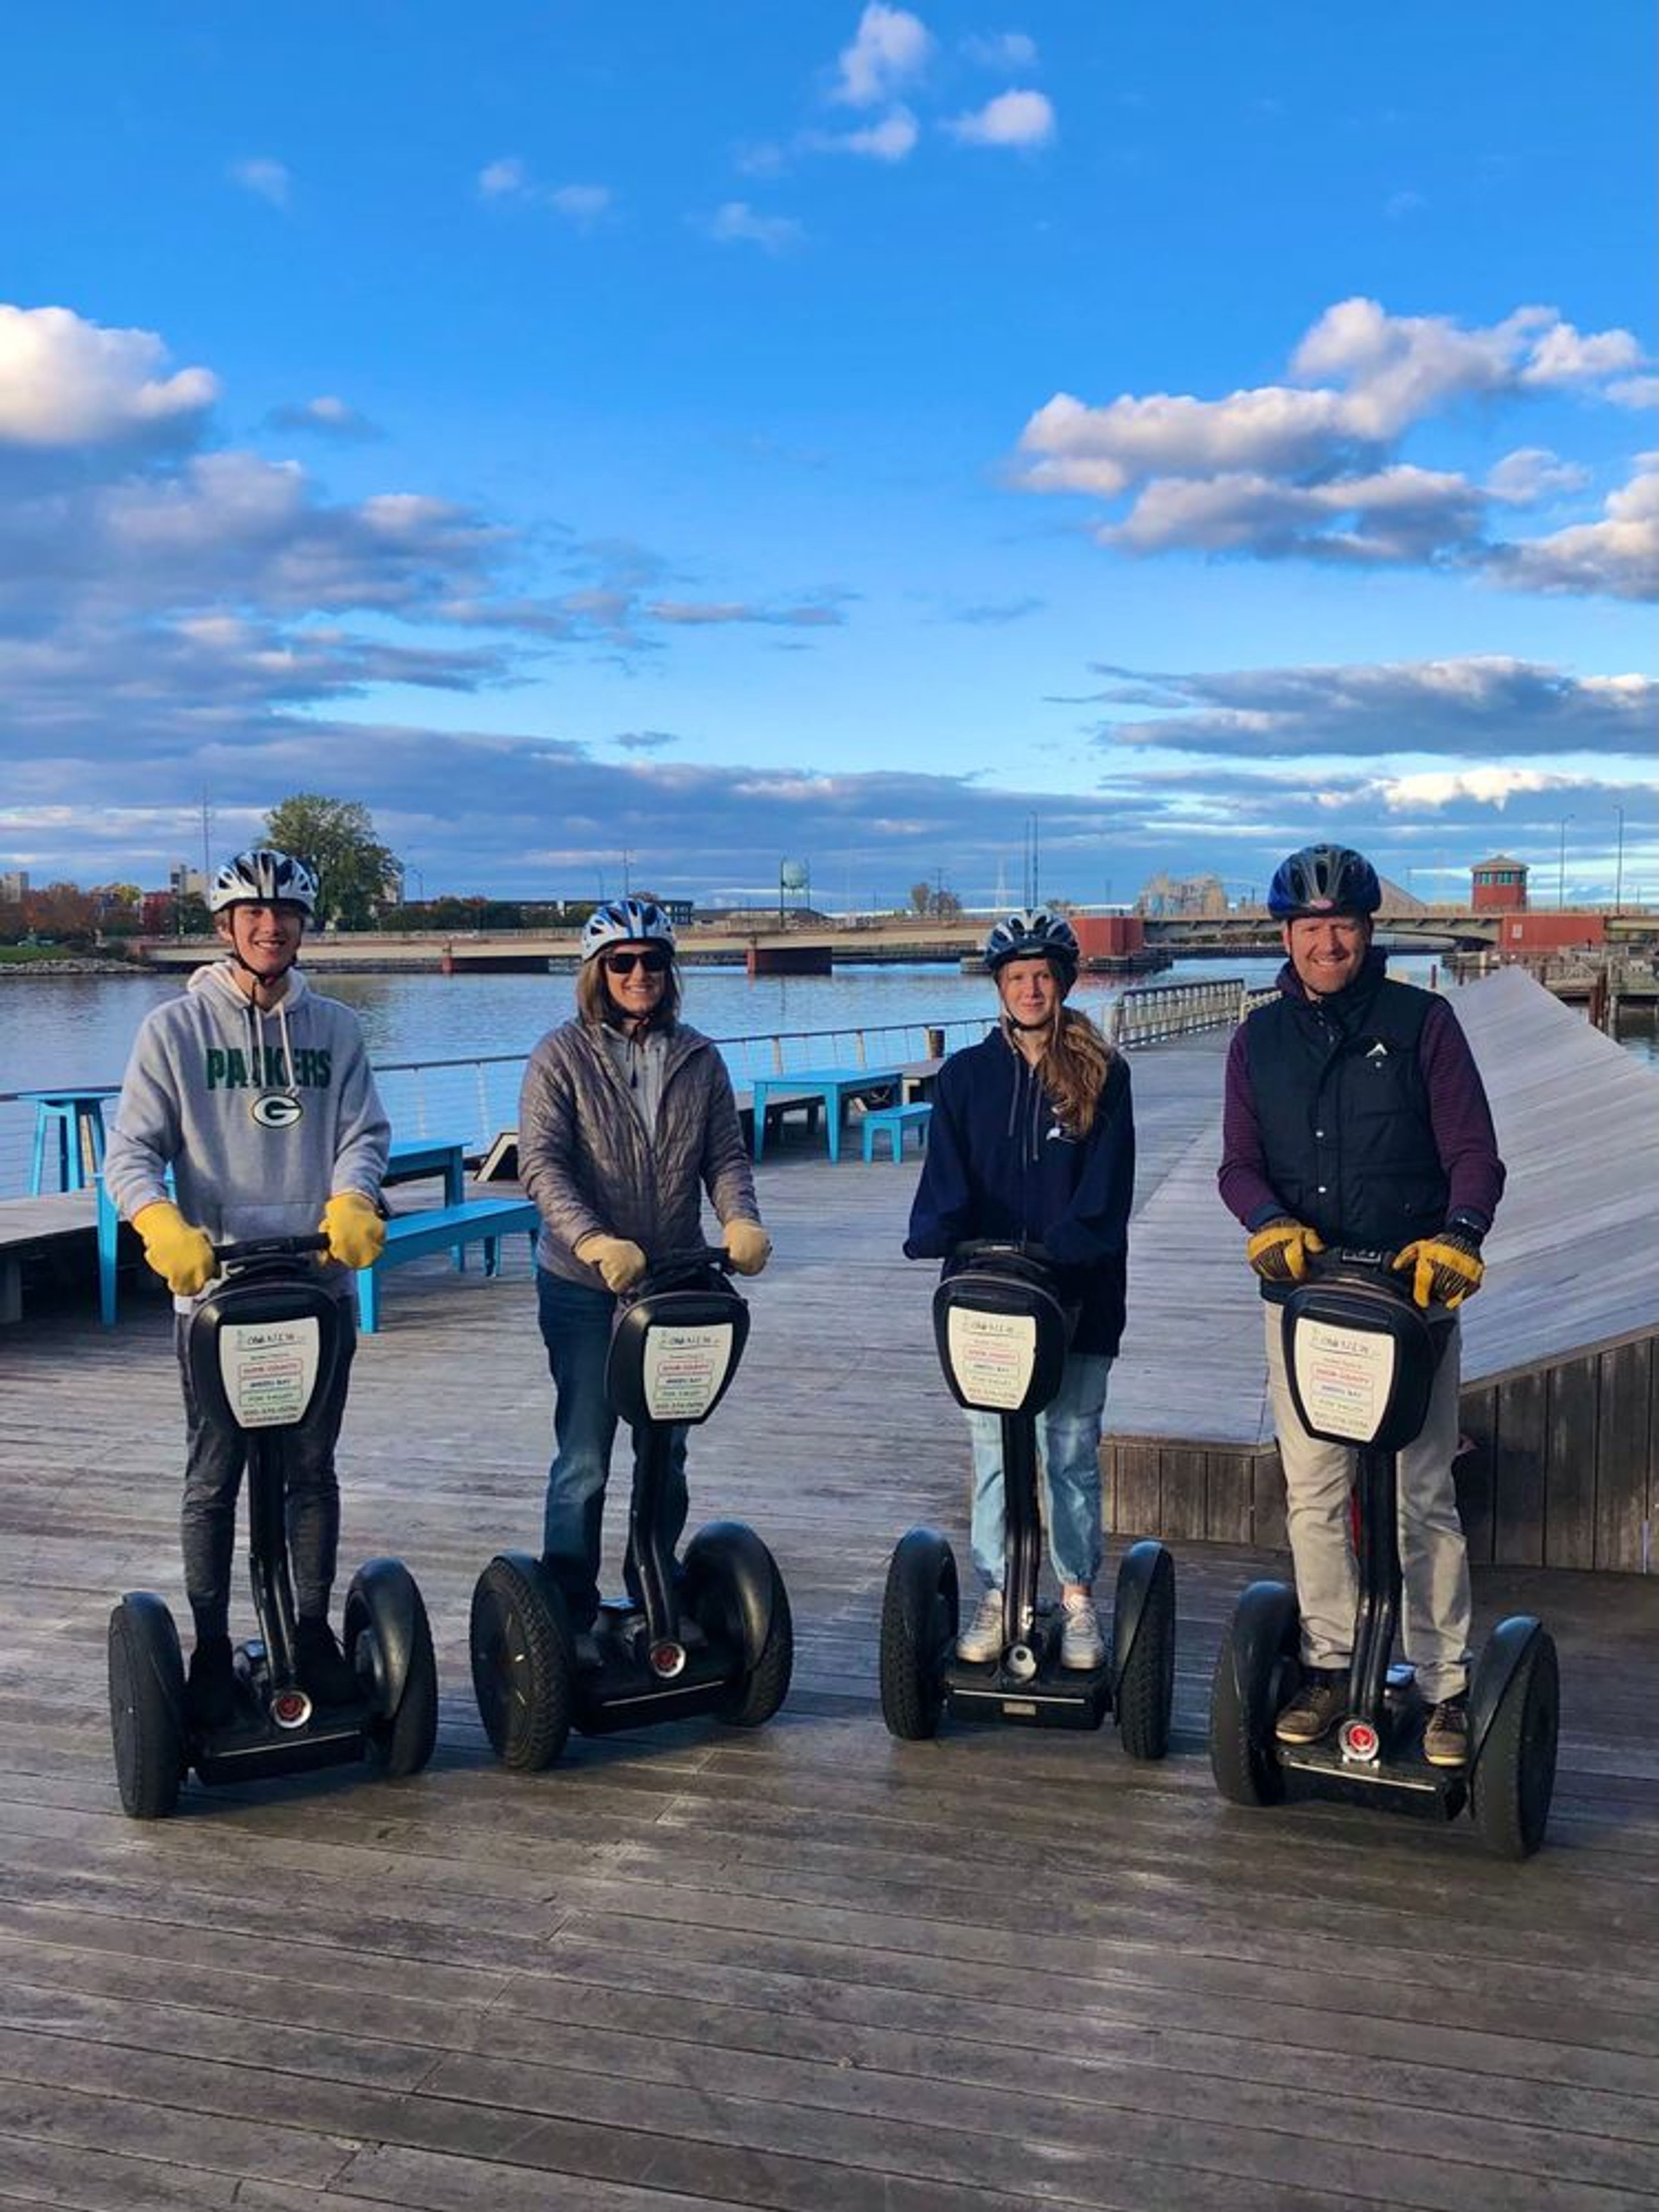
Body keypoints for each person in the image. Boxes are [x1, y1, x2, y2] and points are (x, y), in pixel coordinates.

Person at [1218, 841, 1505, 1768]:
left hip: (1413, 1296)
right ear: (1286, 937)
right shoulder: (1257, 1039)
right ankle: (1331, 1664)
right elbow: (1238, 1164)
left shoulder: (1425, 1024)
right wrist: (1265, 1221)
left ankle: (1445, 1683)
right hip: (1305, 1301)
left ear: (1368, 930)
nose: (1327, 944)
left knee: (1424, 1491)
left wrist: (1462, 1232)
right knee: (1314, 1490)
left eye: (1342, 925)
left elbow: (1475, 1152)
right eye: (1310, 928)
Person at [104, 846, 390, 1727]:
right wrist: (160, 1223)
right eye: (254, 915)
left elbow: (364, 1133)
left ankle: (309, 1629)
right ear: (227, 927)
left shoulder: (336, 1028)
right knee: (214, 1476)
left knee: (311, 1468)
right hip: (216, 1295)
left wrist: (354, 1197)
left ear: (304, 926)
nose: (271, 928)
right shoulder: (174, 1032)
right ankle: (210, 1647)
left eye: (286, 914)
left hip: (316, 1287)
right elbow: (130, 1153)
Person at [517, 896, 771, 1629]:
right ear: (597, 972)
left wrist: (741, 1218)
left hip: (675, 1281)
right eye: (622, 962)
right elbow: (541, 1164)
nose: (638, 974)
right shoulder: (560, 1056)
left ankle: (653, 1584)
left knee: (667, 1449)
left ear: (669, 971)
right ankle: (569, 1607)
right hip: (584, 1287)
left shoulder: (699, 1056)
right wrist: (593, 1240)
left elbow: (725, 1155)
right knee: (586, 1455)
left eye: (652, 961)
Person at [905, 908, 1135, 1669]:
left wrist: (1068, 1250)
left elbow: (1107, 1192)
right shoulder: (966, 1077)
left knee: (1068, 1449)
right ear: (1000, 987)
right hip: (989, 1298)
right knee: (994, 1451)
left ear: (1063, 983)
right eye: (1017, 978)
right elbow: (947, 1177)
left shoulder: (1104, 1072)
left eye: (1043, 977)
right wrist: (938, 1232)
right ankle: (1001, 1590)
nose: (1031, 990)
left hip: (1077, 1297)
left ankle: (1076, 1599)